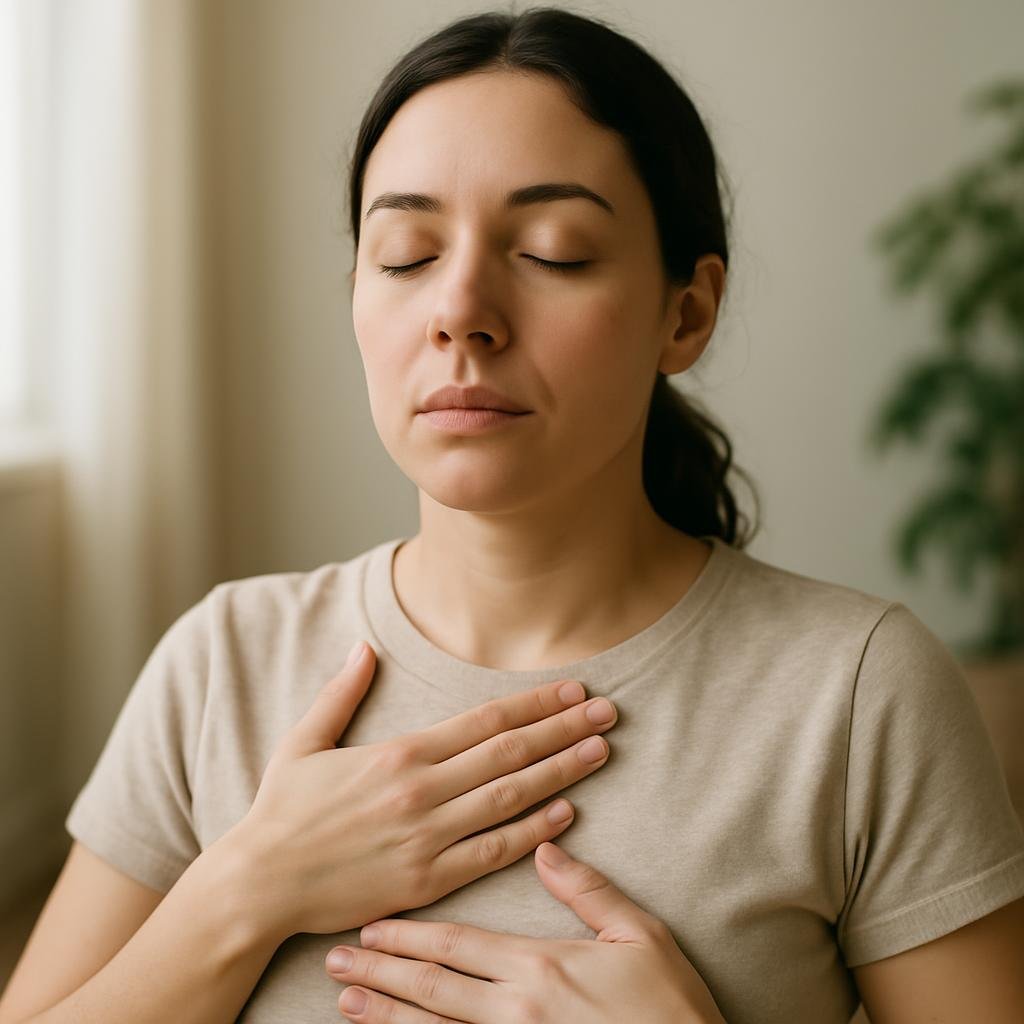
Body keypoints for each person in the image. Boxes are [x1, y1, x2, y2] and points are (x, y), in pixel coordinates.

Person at [22, 6, 1024, 1024]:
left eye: (553, 250)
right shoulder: (223, 661)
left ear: (686, 313)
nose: (460, 310)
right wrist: (247, 889)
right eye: (406, 253)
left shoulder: (855, 694)